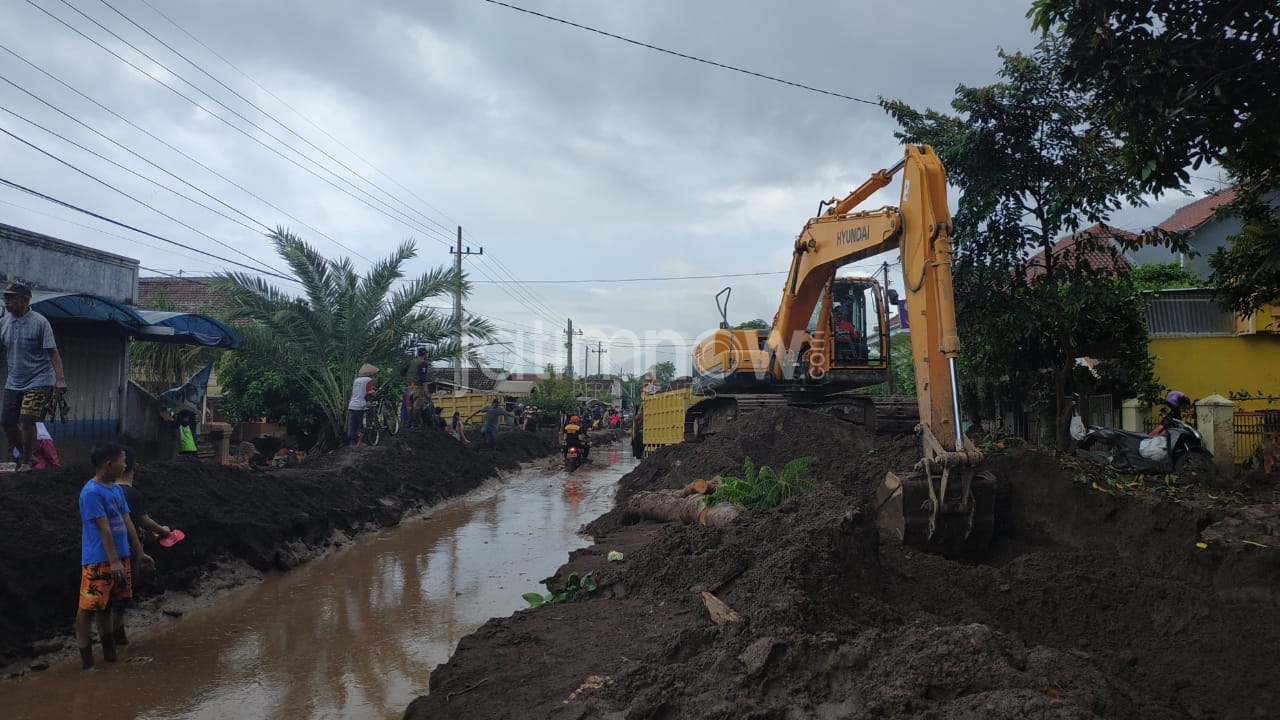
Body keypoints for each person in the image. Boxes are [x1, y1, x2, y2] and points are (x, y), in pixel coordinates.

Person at [76, 442, 153, 669]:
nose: (126, 464)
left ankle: (110, 658)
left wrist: (139, 553)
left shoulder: (116, 490)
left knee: (107, 606)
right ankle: (87, 663)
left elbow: (127, 522)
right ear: (109, 464)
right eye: (122, 460)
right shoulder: (91, 492)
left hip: (120, 557)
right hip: (100, 559)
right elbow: (104, 528)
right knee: (88, 609)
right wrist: (114, 561)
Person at [1, 282, 68, 471]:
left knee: (27, 420)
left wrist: (60, 379)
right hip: (14, 381)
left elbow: (53, 352)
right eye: (5, 298)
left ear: (25, 300)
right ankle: (27, 456)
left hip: (39, 380)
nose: (6, 302)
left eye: (11, 298)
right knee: (7, 422)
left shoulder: (40, 322)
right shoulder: (4, 323)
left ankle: (26, 461)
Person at [109, 447, 172, 647]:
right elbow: (143, 521)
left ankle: (111, 639)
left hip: (102, 550)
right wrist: (164, 531)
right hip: (125, 552)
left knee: (105, 598)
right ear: (134, 466)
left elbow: (133, 524)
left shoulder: (105, 490)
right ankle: (117, 637)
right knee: (121, 597)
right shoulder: (130, 493)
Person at [347, 363, 378, 445]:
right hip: (361, 406)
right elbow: (369, 393)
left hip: (352, 405)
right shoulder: (368, 380)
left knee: (352, 425)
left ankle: (352, 442)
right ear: (370, 373)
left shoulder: (356, 380)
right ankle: (361, 442)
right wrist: (372, 398)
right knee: (364, 425)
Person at [401, 347, 430, 427]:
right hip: (418, 386)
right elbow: (422, 377)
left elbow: (402, 372)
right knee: (417, 406)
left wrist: (408, 380)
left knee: (409, 405)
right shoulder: (423, 363)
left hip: (409, 386)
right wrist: (426, 389)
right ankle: (415, 424)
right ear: (424, 354)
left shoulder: (411, 362)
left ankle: (408, 423)